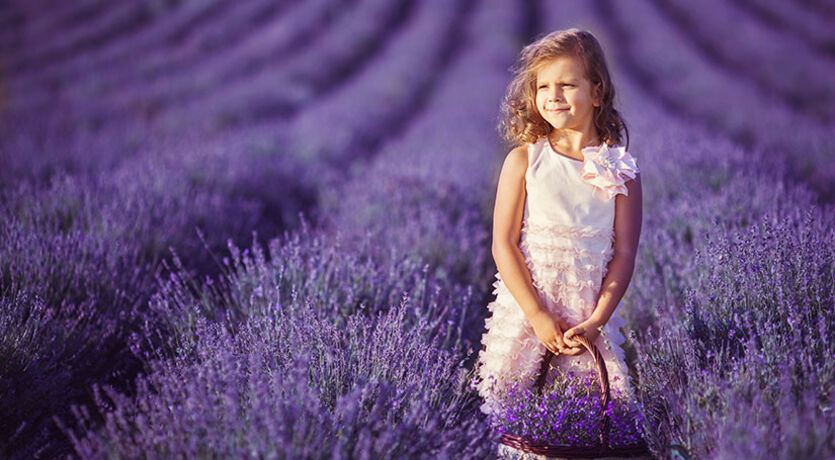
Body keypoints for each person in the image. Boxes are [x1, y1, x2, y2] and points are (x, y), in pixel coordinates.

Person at [473, 28, 642, 419]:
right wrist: (536, 314)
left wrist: (597, 320)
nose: (553, 95)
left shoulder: (622, 172)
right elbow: (504, 244)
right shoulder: (524, 161)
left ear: (597, 92)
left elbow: (625, 253)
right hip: (527, 312)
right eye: (543, 86)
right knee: (514, 416)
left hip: (585, 324)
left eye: (567, 84)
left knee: (585, 416)